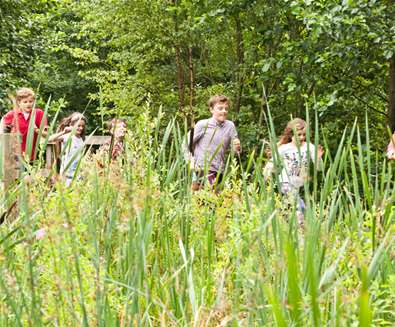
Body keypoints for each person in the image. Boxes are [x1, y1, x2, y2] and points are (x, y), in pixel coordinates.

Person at [186, 95, 241, 190]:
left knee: (215, 202)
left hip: (220, 170)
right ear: (211, 110)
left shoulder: (230, 126)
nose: (224, 111)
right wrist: (190, 162)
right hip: (202, 169)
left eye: (226, 109)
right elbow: (186, 144)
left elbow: (235, 152)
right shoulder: (202, 124)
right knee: (201, 201)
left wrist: (237, 148)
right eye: (220, 108)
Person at [275, 118, 324, 222]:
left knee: (293, 209)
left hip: (297, 184)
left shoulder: (309, 147)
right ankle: (300, 229)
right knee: (300, 206)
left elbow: (319, 168)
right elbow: (271, 164)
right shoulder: (284, 148)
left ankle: (287, 224)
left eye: (304, 135)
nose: (302, 137)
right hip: (285, 182)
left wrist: (319, 158)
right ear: (291, 135)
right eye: (299, 134)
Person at [0, 88, 47, 160]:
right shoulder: (12, 114)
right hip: (15, 155)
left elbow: (46, 134)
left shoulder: (39, 113)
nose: (28, 104)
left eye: (31, 101)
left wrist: (36, 129)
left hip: (32, 156)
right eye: (25, 102)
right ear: (19, 103)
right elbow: (2, 125)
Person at [49, 112, 86, 186]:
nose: (81, 128)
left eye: (82, 126)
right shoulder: (67, 136)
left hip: (78, 174)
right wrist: (63, 132)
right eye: (78, 126)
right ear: (71, 125)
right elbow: (50, 139)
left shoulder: (81, 139)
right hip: (66, 174)